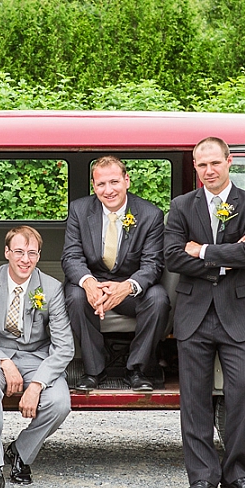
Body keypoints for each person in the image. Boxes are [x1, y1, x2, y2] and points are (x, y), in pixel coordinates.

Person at [164, 137, 245, 488]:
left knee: (244, 391)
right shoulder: (180, 206)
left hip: (240, 312)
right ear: (195, 168)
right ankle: (202, 477)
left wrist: (204, 250)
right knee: (194, 398)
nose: (208, 171)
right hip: (194, 312)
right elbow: (172, 258)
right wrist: (229, 254)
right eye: (201, 165)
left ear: (228, 162)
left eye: (214, 163)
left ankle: (238, 473)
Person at [0, 226, 74, 488]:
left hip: (35, 358)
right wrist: (3, 361)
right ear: (7, 252)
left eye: (32, 253)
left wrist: (36, 384)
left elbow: (64, 347)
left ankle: (20, 451)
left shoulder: (50, 287)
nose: (25, 259)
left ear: (38, 255)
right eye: (19, 252)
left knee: (60, 402)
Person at [61, 156, 170, 392]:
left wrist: (126, 287)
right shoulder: (79, 210)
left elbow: (152, 264)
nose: (108, 190)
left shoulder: (150, 215)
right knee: (75, 296)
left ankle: (138, 370)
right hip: (92, 285)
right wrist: (89, 283)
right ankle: (94, 371)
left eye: (114, 182)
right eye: (101, 184)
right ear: (94, 186)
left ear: (126, 181)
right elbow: (71, 257)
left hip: (130, 288)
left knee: (159, 299)